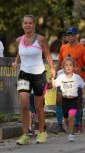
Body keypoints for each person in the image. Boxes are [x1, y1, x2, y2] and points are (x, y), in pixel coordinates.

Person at [12, 15, 55, 145]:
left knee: (38, 106)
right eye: (25, 23)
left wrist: (52, 69)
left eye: (30, 23)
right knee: (24, 105)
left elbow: (47, 55)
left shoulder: (41, 39)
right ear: (22, 25)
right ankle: (25, 134)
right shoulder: (18, 40)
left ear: (34, 25)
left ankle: (41, 132)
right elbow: (19, 53)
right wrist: (15, 62)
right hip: (24, 74)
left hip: (39, 74)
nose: (27, 25)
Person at [55, 27, 85, 134]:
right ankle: (59, 125)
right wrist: (55, 74)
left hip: (76, 79)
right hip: (63, 78)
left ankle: (76, 125)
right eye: (68, 35)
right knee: (58, 99)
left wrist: (81, 69)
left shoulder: (82, 48)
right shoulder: (63, 48)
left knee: (77, 103)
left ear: (77, 35)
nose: (70, 37)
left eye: (72, 35)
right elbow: (59, 62)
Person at [51, 57, 85, 142]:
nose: (68, 67)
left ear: (73, 67)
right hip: (65, 101)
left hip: (74, 100)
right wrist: (52, 78)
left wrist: (83, 96)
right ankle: (68, 127)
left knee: (71, 116)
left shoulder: (77, 77)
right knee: (66, 119)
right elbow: (54, 85)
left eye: (70, 65)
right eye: (66, 65)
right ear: (63, 67)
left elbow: (82, 86)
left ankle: (71, 134)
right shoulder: (61, 77)